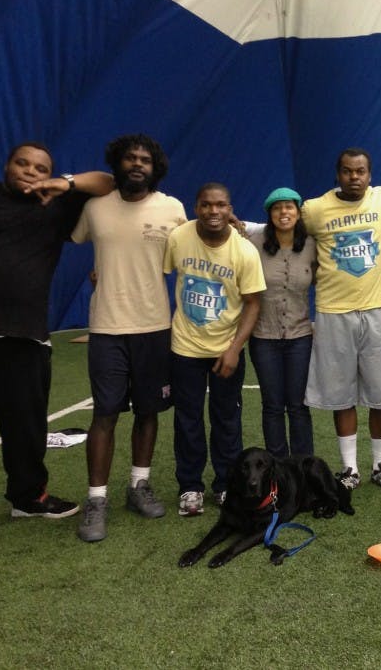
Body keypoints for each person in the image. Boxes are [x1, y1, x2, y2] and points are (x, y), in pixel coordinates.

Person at [0, 142, 114, 544]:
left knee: (26, 427)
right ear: (7, 164)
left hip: (24, 336)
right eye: (22, 163)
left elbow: (108, 183)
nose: (30, 171)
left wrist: (64, 183)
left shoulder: (55, 205)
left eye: (40, 167)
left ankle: (28, 497)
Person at [70, 134, 187, 542]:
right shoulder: (94, 208)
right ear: (116, 164)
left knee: (148, 411)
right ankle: (96, 499)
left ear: (156, 167)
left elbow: (188, 256)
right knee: (104, 414)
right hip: (106, 327)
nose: (137, 164)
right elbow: (76, 236)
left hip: (155, 326)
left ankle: (139, 485)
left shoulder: (172, 208)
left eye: (145, 160)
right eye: (129, 158)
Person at [300, 148, 381, 492]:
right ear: (337, 173)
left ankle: (380, 465)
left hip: (376, 310)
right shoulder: (315, 209)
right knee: (342, 396)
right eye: (348, 171)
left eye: (361, 171)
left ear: (370, 174)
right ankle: (349, 468)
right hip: (332, 313)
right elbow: (279, 224)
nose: (355, 177)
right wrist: (245, 227)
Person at [163, 183, 266, 516]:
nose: (213, 211)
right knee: (187, 419)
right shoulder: (179, 238)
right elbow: (159, 277)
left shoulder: (245, 252)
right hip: (185, 347)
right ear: (196, 208)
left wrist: (236, 348)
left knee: (227, 419)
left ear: (230, 208)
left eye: (220, 205)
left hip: (226, 349)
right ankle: (190, 486)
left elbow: (253, 303)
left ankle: (225, 485)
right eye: (206, 205)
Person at [247, 187, 317, 458]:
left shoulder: (312, 244)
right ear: (269, 215)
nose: (283, 212)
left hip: (300, 337)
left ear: (298, 213)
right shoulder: (254, 243)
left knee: (298, 405)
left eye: (289, 207)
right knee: (272, 405)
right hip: (264, 338)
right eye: (277, 208)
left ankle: (303, 465)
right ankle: (277, 465)